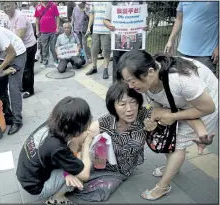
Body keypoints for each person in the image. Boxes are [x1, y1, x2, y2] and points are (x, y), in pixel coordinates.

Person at [117, 50, 218, 200]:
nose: (130, 86)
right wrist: (155, 114)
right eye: (127, 81)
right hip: (179, 103)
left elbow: (207, 108)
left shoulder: (181, 80)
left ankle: (163, 186)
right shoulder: (151, 78)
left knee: (177, 145)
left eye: (133, 80)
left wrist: (171, 116)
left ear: (150, 72)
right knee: (166, 133)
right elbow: (156, 100)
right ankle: (173, 166)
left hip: (204, 104)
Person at [16, 97, 93, 204]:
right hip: (36, 187)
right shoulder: (57, 148)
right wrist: (86, 145)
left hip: (26, 175)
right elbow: (85, 175)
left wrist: (68, 171)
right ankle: (56, 198)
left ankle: (66, 173)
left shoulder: (53, 123)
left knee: (73, 159)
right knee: (78, 177)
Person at [164, 1, 219, 74]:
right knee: (185, 83)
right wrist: (170, 40)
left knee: (205, 83)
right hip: (183, 52)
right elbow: (179, 19)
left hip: (206, 54)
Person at [2, 2, 37, 99]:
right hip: (19, 47)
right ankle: (24, 86)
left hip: (28, 46)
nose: (6, 8)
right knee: (21, 68)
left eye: (8, 5)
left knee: (27, 69)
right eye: (4, 6)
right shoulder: (6, 18)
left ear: (14, 5)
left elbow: (19, 36)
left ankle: (30, 90)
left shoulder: (20, 17)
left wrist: (8, 48)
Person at [85, 2, 111, 79]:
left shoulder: (110, 2)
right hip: (96, 30)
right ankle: (94, 67)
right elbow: (92, 15)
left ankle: (105, 69)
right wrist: (89, 27)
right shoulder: (94, 2)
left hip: (106, 30)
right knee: (94, 50)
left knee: (106, 51)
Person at [35, 1, 60, 68]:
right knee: (44, 48)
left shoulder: (53, 5)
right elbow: (37, 19)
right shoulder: (38, 7)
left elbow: (57, 17)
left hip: (53, 30)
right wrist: (37, 30)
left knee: (53, 47)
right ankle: (45, 62)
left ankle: (56, 61)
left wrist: (57, 27)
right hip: (43, 31)